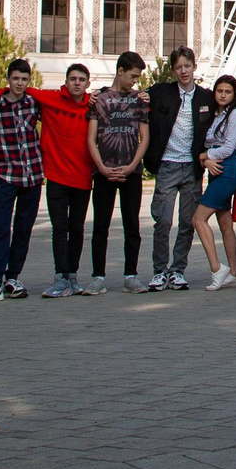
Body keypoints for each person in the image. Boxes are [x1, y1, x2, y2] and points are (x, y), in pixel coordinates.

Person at [0, 59, 46, 301]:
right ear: (8, 79)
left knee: (23, 229)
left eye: (24, 79)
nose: (19, 83)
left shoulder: (34, 103)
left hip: (32, 175)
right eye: (15, 78)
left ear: (29, 81)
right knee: (0, 229)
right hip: (6, 175)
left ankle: (13, 277)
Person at [142, 46, 205, 291]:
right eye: (178, 67)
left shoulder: (204, 97)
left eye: (187, 66)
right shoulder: (160, 92)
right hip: (167, 165)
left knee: (188, 222)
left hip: (191, 167)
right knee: (163, 220)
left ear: (194, 67)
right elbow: (132, 95)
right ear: (173, 70)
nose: (183, 71)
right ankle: (160, 270)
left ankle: (178, 269)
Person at [32, 63, 98, 298]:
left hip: (81, 178)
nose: (77, 83)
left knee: (77, 228)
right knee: (59, 228)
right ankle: (60, 276)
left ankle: (72, 276)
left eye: (81, 79)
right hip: (56, 177)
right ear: (66, 81)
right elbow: (21, 90)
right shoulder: (51, 99)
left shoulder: (94, 104)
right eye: (73, 79)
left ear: (87, 83)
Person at [87, 51, 148, 294]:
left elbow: (145, 137)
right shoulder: (99, 99)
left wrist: (133, 165)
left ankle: (131, 275)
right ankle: (98, 277)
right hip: (104, 171)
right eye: (133, 75)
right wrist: (101, 167)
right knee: (100, 225)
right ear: (120, 71)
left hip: (131, 172)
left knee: (132, 224)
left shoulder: (140, 100)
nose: (135, 80)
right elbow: (91, 139)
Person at [191, 74, 236, 290]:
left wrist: (204, 157)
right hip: (215, 170)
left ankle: (217, 268)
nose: (223, 95)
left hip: (228, 170)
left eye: (228, 92)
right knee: (225, 224)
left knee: (198, 219)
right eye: (219, 91)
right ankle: (234, 273)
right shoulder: (215, 114)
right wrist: (207, 162)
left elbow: (228, 148)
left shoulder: (234, 115)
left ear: (234, 95)